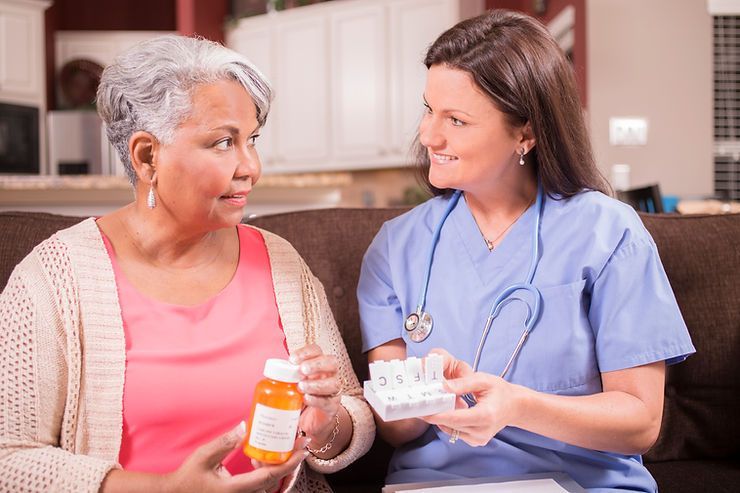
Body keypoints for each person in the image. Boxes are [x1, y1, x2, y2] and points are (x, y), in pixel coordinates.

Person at [0, 35, 373, 492]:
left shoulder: (280, 262)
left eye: (251, 139)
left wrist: (327, 424)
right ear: (146, 156)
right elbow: (9, 460)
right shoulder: (53, 279)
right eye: (222, 143)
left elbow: (352, 412)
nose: (250, 166)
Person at [358, 9, 694, 492]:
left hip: (582, 482)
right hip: (434, 485)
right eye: (428, 109)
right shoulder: (396, 247)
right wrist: (424, 394)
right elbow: (396, 428)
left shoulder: (607, 232)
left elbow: (640, 421)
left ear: (526, 133)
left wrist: (515, 405)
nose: (429, 135)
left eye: (456, 119)